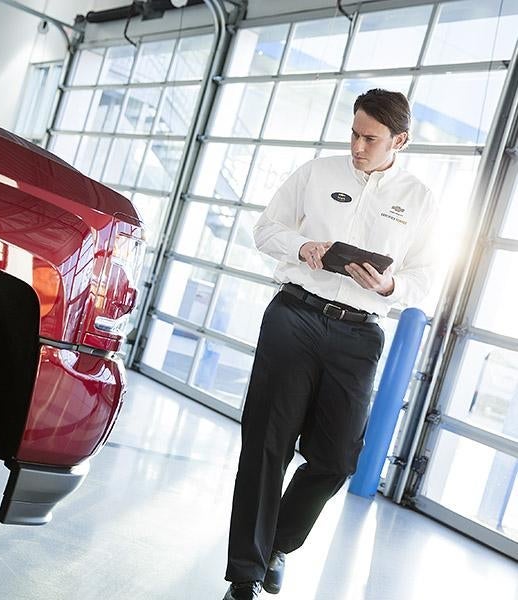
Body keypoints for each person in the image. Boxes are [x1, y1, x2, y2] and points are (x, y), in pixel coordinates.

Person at [223, 89, 439, 600]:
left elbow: (427, 278)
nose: (358, 146)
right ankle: (244, 577)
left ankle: (276, 544)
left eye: (371, 138)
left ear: (399, 141)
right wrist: (304, 247)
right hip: (294, 315)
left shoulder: (420, 199)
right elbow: (264, 229)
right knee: (267, 445)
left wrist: (389, 288)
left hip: (359, 332)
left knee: (337, 458)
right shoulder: (317, 173)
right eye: (354, 133)